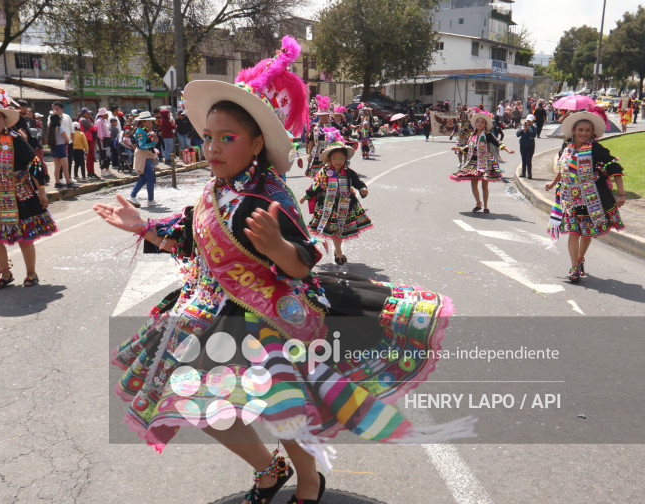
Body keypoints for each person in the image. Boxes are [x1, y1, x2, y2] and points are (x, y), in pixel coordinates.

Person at [93, 36, 473, 504]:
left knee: (283, 410)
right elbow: (193, 238)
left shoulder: (272, 193)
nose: (212, 147)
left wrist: (276, 247)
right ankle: (269, 469)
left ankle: (309, 482)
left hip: (269, 317)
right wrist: (144, 227)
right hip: (211, 313)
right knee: (199, 405)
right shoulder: (216, 188)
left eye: (226, 139)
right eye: (208, 138)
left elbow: (303, 262)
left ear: (256, 143)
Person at [0, 77, 57, 289]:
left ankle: (31, 274)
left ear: (4, 118)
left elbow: (33, 164)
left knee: (25, 237)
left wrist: (41, 191)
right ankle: (5, 273)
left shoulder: (16, 139)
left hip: (18, 193)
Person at [544, 106, 626, 283]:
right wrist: (553, 183)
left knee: (586, 232)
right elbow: (563, 170)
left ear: (592, 133)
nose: (584, 133)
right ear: (573, 131)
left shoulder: (596, 149)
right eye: (580, 130)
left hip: (591, 199)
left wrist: (621, 194)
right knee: (574, 232)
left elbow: (615, 169)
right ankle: (574, 268)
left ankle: (580, 259)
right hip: (570, 199)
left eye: (587, 130)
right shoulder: (567, 148)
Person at [300, 129, 371, 265]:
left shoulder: (349, 172)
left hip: (345, 205)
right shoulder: (324, 172)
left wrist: (363, 189)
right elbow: (315, 185)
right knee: (334, 230)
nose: (338, 161)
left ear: (345, 159)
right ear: (329, 159)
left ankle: (337, 250)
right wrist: (306, 196)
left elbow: (357, 183)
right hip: (328, 205)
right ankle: (338, 252)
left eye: (341, 158)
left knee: (340, 229)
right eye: (335, 158)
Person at [449, 109, 515, 213]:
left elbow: (498, 142)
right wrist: (458, 149)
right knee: (473, 183)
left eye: (482, 122)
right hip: (473, 162)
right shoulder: (473, 135)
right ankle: (478, 203)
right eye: (478, 122)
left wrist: (508, 150)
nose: (479, 124)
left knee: (485, 185)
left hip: (485, 162)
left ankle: (486, 206)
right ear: (475, 124)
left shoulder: (488, 135)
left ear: (485, 124)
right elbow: (469, 147)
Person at [129, 111, 158, 207]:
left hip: (146, 155)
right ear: (144, 122)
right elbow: (142, 146)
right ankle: (150, 200)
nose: (151, 124)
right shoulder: (140, 132)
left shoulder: (145, 130)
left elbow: (150, 141)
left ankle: (132, 196)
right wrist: (153, 143)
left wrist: (154, 139)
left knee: (143, 178)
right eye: (149, 122)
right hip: (143, 156)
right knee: (150, 178)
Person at [51, 101, 74, 178]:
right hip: (58, 144)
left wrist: (72, 141)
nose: (55, 110)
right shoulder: (51, 117)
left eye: (57, 108)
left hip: (68, 143)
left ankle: (69, 177)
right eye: (54, 108)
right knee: (59, 165)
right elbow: (50, 127)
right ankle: (60, 179)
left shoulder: (67, 116)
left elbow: (72, 129)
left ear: (62, 109)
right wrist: (55, 117)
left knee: (69, 162)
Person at [78, 107, 99, 179]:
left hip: (90, 139)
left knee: (91, 156)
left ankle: (91, 172)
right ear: (83, 114)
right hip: (88, 139)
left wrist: (94, 126)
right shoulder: (83, 120)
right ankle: (90, 172)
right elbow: (93, 128)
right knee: (90, 156)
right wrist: (95, 126)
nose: (89, 114)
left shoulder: (87, 119)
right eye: (87, 113)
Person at [517, 114, 536, 178]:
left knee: (528, 159)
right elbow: (517, 134)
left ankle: (529, 174)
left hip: (530, 145)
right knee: (523, 159)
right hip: (523, 145)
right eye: (528, 120)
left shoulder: (533, 128)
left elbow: (533, 135)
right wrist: (523, 130)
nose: (529, 122)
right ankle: (523, 173)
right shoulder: (522, 127)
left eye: (530, 121)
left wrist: (528, 130)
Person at [95, 107, 112, 177]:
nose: (107, 115)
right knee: (103, 154)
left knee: (108, 154)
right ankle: (102, 169)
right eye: (106, 114)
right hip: (103, 139)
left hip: (107, 138)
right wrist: (102, 139)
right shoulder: (99, 121)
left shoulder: (105, 121)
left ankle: (107, 168)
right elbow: (99, 131)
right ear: (102, 114)